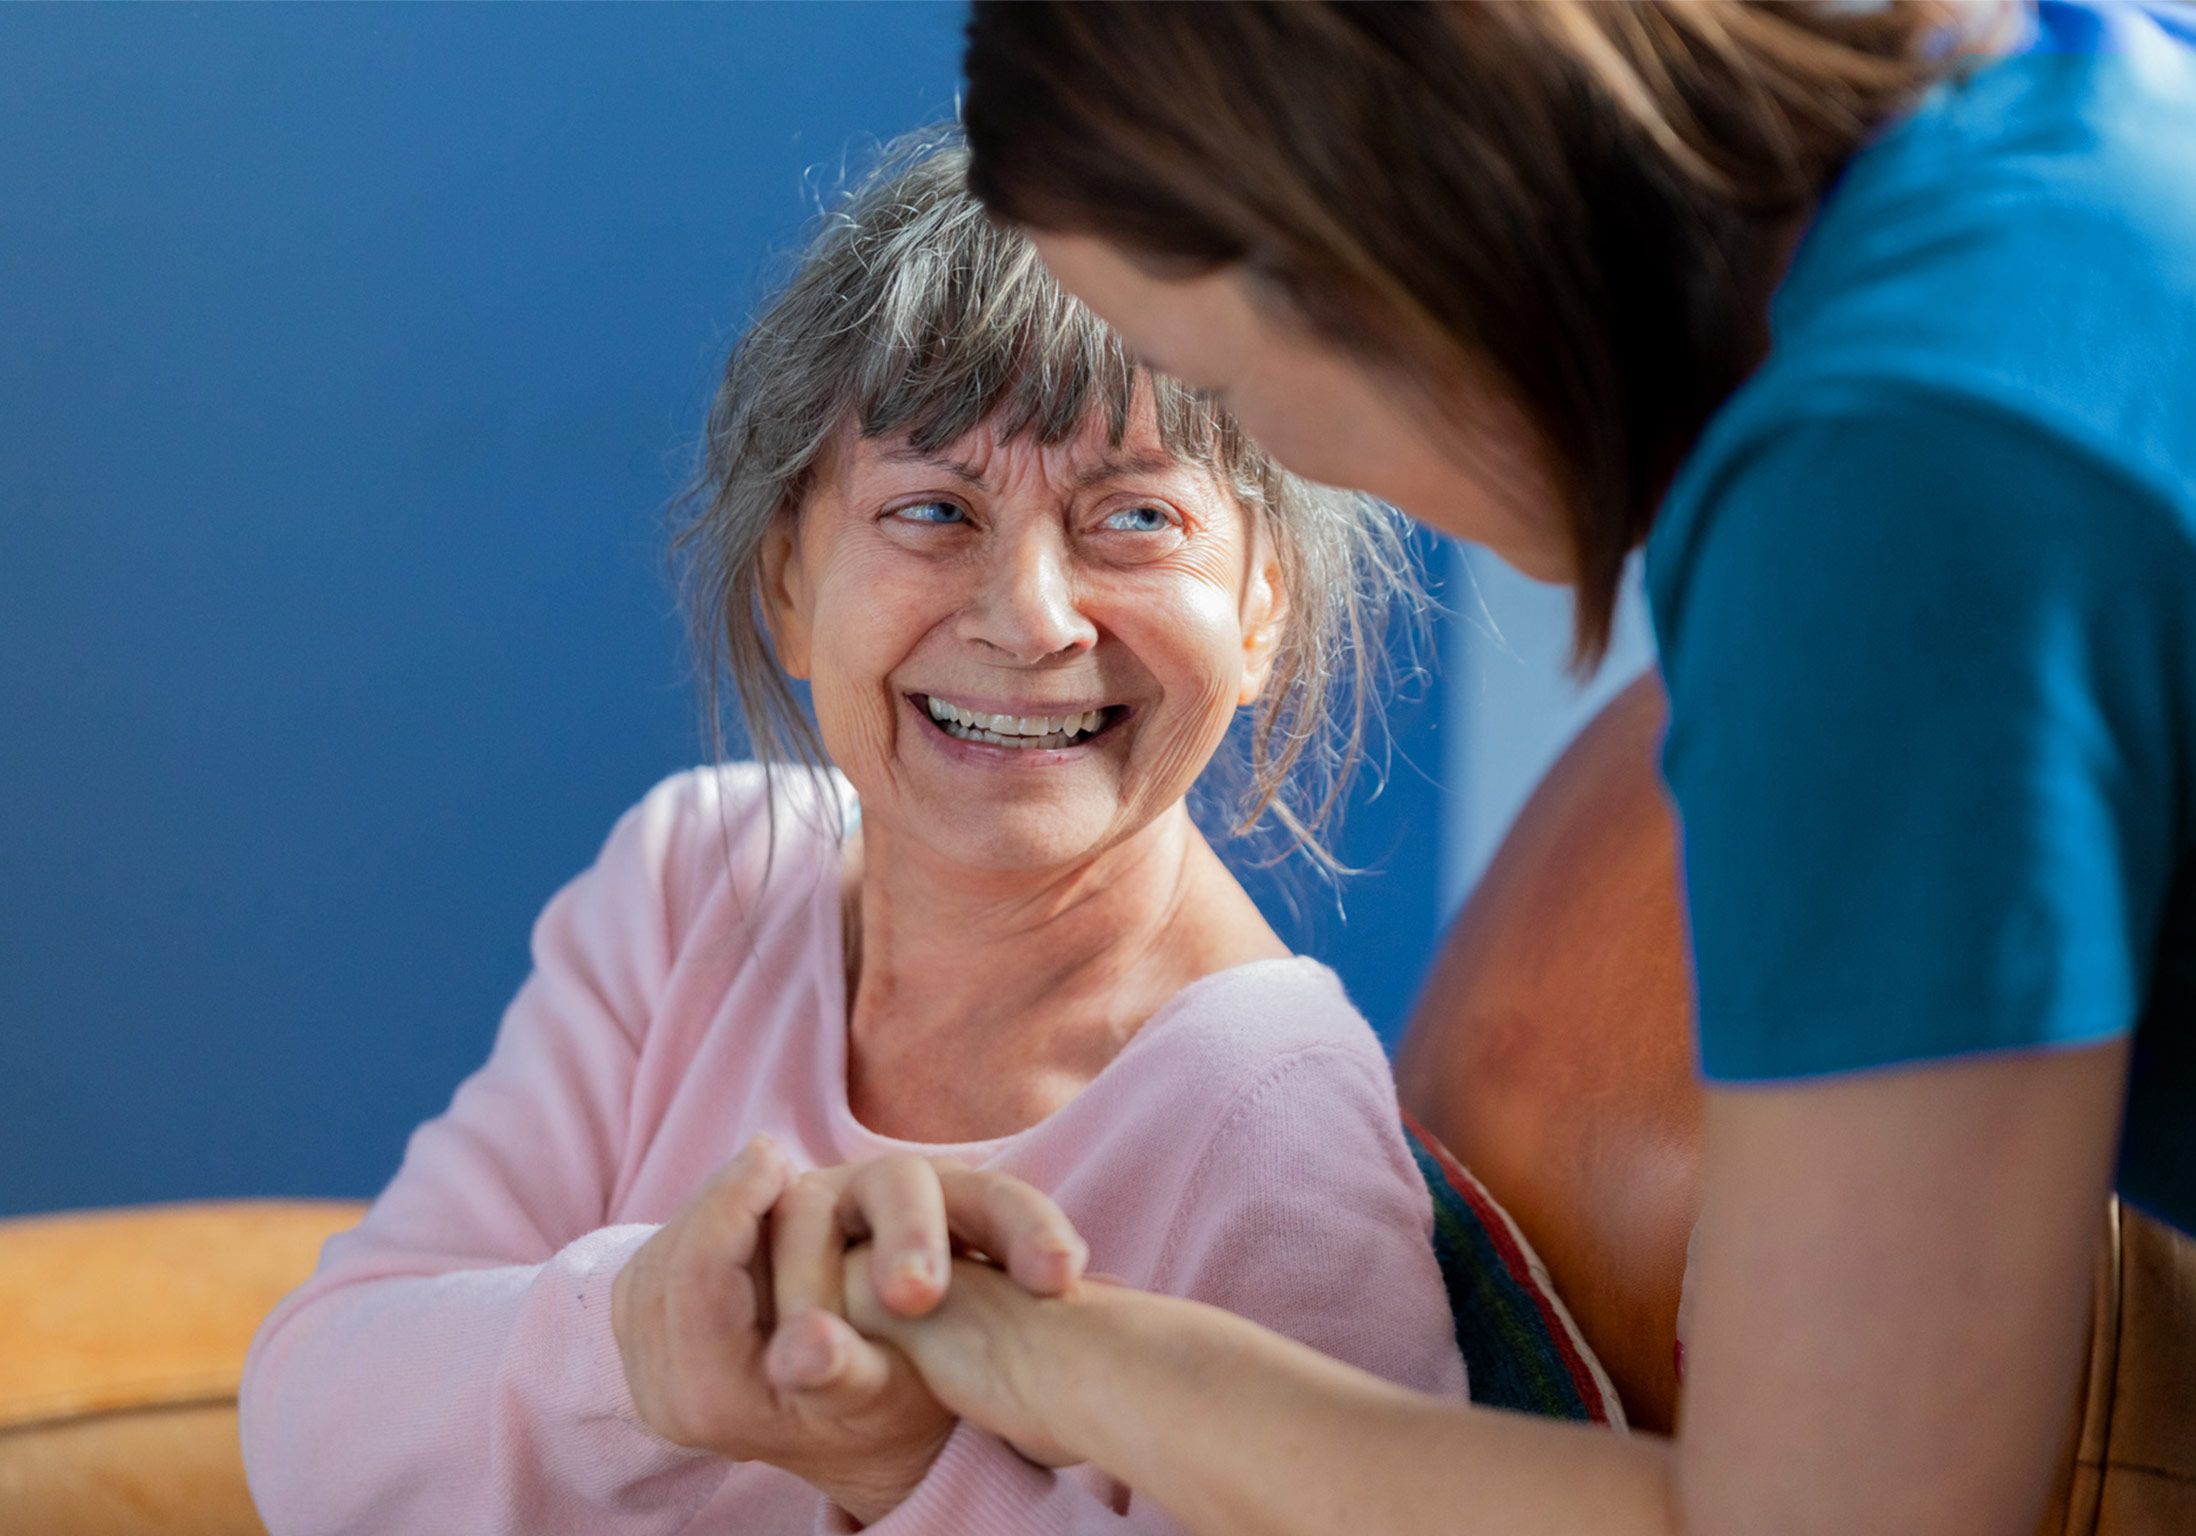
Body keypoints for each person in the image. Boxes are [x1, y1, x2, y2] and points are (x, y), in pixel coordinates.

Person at [782, 5, 2196, 1535]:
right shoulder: (2067, 86)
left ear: (1363, 252)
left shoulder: (1892, 493)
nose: (1302, 461)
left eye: (1223, 388)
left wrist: (1040, 1356)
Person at [237, 134, 1466, 1535]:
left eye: (1133, 518)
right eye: (931, 510)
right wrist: (645, 1340)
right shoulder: (691, 886)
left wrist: (901, 1470)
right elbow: (310, 1422)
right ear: (788, 587)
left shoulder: (1272, 1123)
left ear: (1263, 614)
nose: (1030, 614)